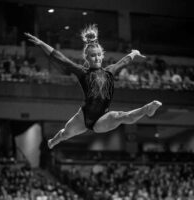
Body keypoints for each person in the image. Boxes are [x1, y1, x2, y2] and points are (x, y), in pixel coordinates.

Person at [25, 25, 162, 149]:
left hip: (102, 119)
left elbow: (124, 61)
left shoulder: (109, 71)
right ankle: (53, 141)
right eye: (93, 55)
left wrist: (134, 53)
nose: (96, 58)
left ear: (102, 56)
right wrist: (41, 43)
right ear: (87, 58)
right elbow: (60, 58)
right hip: (84, 116)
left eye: (98, 55)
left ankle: (147, 109)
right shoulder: (82, 72)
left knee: (120, 116)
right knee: (64, 134)